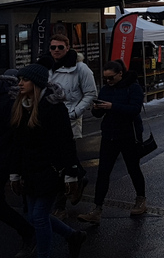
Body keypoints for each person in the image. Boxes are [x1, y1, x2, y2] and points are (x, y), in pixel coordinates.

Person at [9, 64, 87, 258]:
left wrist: (71, 173)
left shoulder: (53, 106)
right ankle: (72, 236)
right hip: (31, 170)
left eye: (24, 80)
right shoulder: (21, 105)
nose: (20, 84)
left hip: (50, 170)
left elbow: (65, 141)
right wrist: (15, 172)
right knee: (33, 215)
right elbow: (17, 143)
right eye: (19, 80)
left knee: (39, 216)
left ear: (35, 82)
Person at [78, 60, 146, 225]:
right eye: (105, 78)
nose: (108, 81)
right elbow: (98, 114)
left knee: (133, 168)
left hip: (129, 135)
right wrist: (97, 109)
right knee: (103, 172)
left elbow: (134, 109)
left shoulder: (133, 87)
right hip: (109, 134)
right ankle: (97, 208)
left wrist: (112, 106)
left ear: (120, 74)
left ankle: (141, 199)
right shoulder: (106, 89)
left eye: (111, 78)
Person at [38, 34, 96, 219]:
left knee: (62, 162)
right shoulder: (45, 67)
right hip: (47, 121)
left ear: (68, 47)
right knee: (56, 160)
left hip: (68, 119)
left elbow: (90, 93)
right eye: (53, 47)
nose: (56, 50)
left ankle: (60, 205)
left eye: (60, 47)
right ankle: (79, 178)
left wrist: (75, 112)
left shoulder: (80, 68)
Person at [0, 68, 36, 258]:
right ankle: (70, 234)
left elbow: (15, 137)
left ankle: (29, 232)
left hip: (7, 158)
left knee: (36, 211)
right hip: (9, 158)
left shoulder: (9, 103)